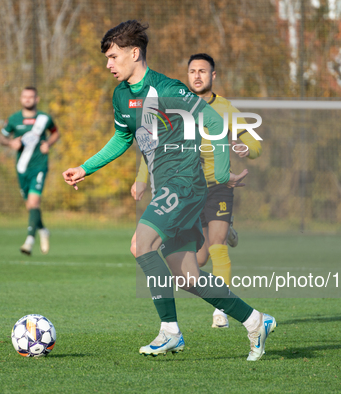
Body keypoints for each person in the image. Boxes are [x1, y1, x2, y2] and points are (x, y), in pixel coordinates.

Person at [62, 20, 275, 361]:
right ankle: (255, 321)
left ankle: (170, 332)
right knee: (189, 277)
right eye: (107, 58)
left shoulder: (170, 90)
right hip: (167, 186)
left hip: (185, 184)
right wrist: (86, 167)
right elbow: (122, 138)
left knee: (140, 244)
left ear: (135, 53)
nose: (108, 65)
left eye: (114, 57)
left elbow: (215, 122)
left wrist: (220, 172)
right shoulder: (121, 96)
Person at [130, 53, 262, 329]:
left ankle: (222, 313)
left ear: (213, 76)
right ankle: (228, 230)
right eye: (192, 71)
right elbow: (156, 148)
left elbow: (255, 143)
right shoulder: (176, 105)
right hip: (185, 191)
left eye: (203, 71)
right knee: (195, 266)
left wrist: (246, 147)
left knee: (217, 246)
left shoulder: (225, 109)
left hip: (217, 188)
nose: (197, 76)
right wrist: (142, 178)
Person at [0, 87, 60, 255]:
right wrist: (10, 143)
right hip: (22, 167)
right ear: (21, 99)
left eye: (31, 97)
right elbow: (2, 137)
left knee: (34, 203)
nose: (27, 99)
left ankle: (29, 241)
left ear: (36, 99)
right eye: (24, 96)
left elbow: (55, 133)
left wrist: (48, 144)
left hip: (39, 166)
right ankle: (43, 230)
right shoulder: (13, 119)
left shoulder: (44, 119)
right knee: (30, 206)